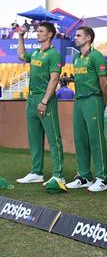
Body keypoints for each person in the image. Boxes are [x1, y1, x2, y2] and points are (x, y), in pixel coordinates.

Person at [16, 22, 66, 190]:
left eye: (41, 31)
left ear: (50, 34)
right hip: (31, 99)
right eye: (37, 31)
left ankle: (58, 175)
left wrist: (44, 101)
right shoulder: (36, 52)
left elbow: (54, 79)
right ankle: (36, 172)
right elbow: (21, 55)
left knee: (53, 138)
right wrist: (21, 36)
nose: (37, 34)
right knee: (34, 138)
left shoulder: (54, 54)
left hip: (46, 99)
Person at [64, 26, 107, 192]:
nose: (75, 38)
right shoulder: (76, 58)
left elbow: (104, 83)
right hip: (79, 101)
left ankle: (103, 178)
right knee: (80, 139)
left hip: (93, 100)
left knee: (96, 140)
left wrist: (102, 102)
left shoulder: (96, 56)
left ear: (89, 38)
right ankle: (84, 176)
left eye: (79, 35)